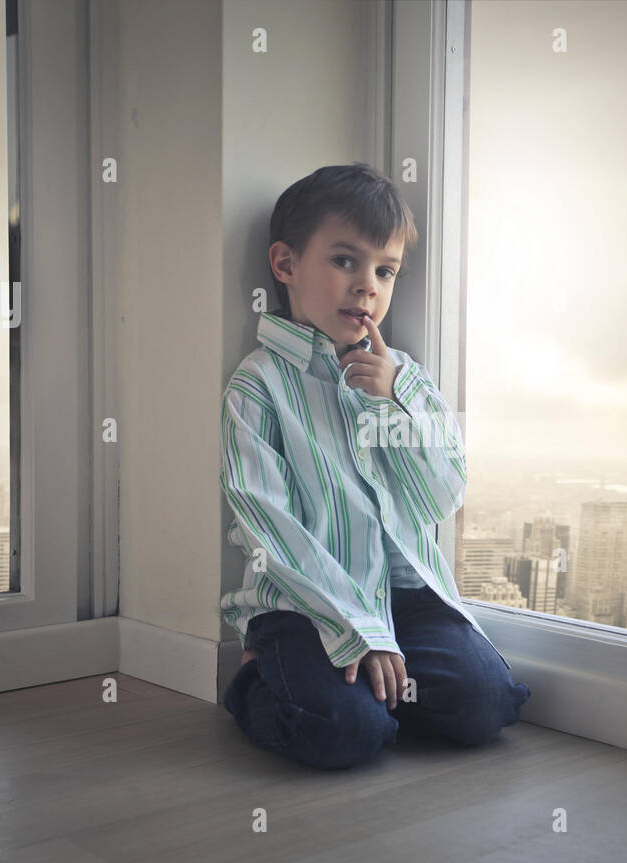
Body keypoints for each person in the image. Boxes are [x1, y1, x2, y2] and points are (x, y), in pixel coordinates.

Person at [219, 162, 531, 769]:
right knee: (342, 735)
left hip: (406, 599)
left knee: (484, 704)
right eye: (345, 261)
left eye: (384, 271)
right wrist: (352, 624)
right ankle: (259, 685)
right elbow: (271, 527)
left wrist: (395, 405)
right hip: (306, 607)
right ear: (286, 265)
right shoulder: (257, 386)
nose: (368, 286)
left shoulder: (406, 382)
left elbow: (441, 497)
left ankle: (372, 693)